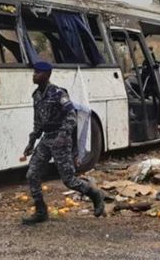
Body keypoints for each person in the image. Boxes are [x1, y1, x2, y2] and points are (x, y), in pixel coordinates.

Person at [21, 61, 105, 225]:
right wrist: (31, 142)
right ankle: (41, 211)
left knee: (69, 180)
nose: (34, 75)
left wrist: (63, 135)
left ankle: (94, 194)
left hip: (61, 139)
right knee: (32, 174)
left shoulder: (59, 93)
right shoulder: (36, 96)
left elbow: (71, 116)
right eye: (34, 72)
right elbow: (38, 123)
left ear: (47, 75)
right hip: (47, 138)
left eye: (38, 73)